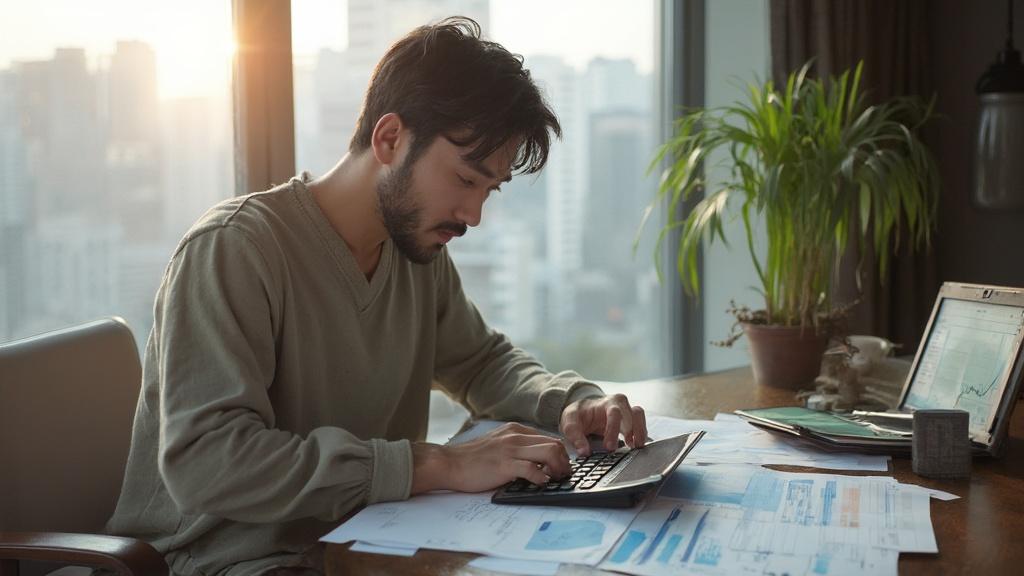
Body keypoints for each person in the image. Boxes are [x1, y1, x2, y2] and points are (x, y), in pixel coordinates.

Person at [106, 16, 648, 576]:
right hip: (226, 562)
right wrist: (435, 464)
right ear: (390, 139)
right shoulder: (234, 249)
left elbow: (480, 362)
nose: (474, 216)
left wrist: (569, 403)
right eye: (465, 180)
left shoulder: (415, 248)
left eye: (490, 190)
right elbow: (207, 460)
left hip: (364, 543)